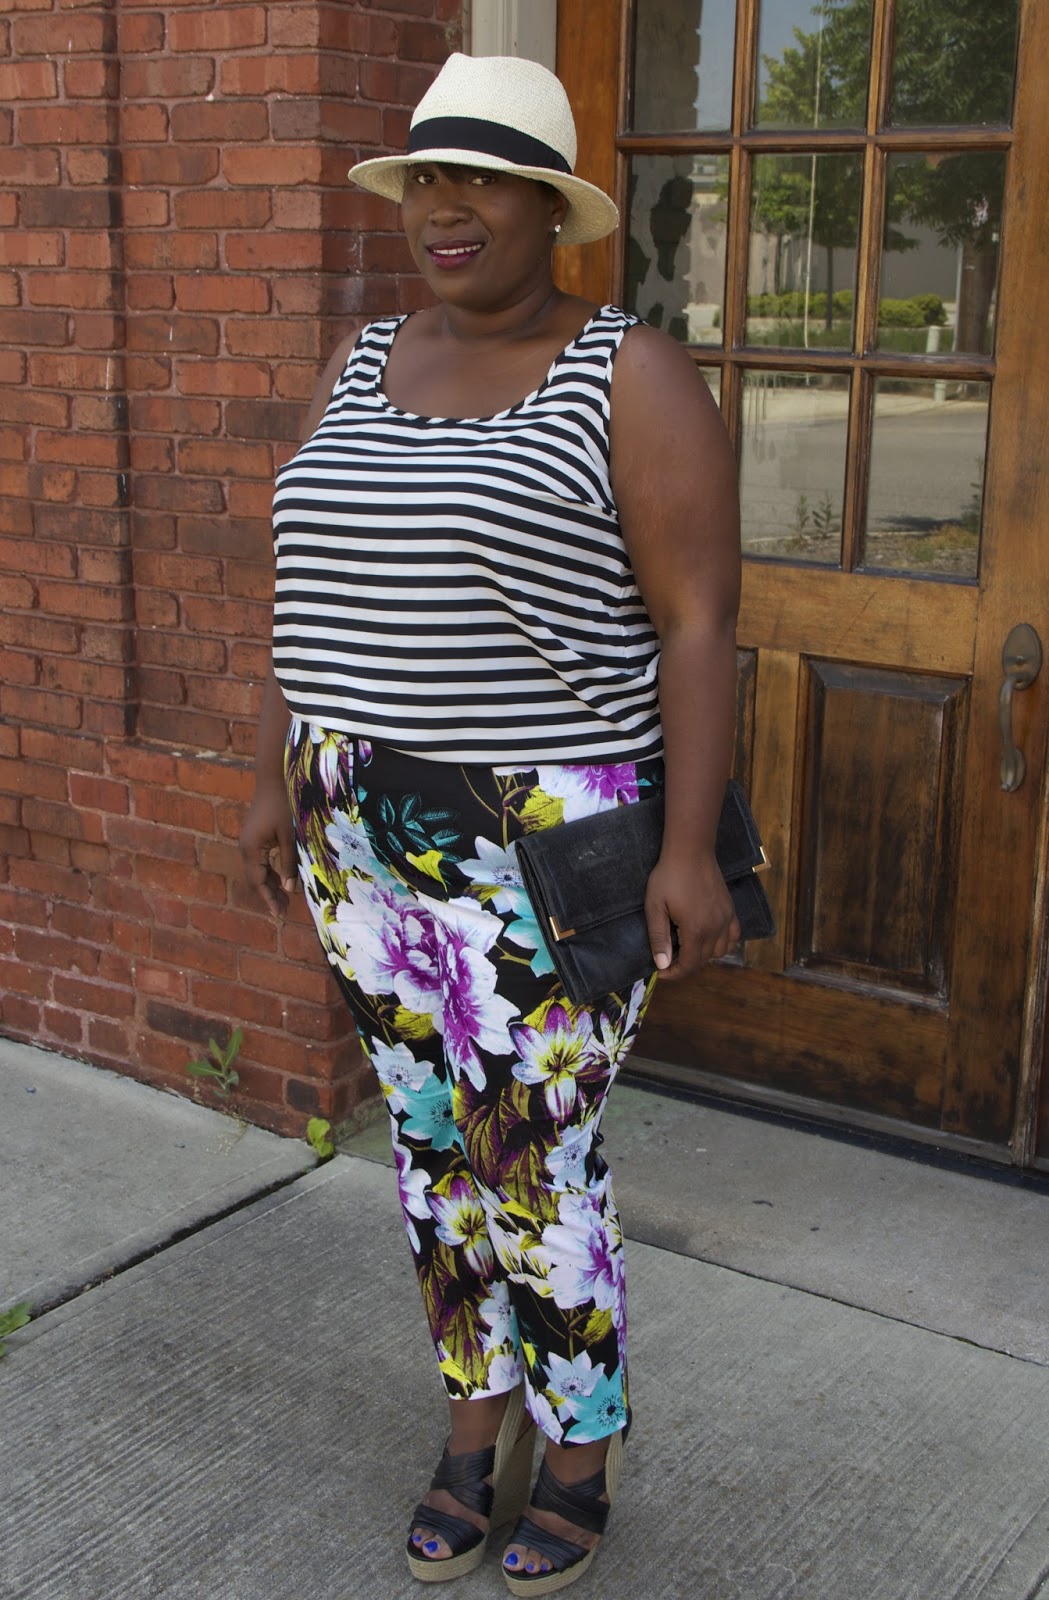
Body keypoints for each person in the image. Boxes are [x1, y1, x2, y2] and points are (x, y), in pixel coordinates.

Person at [240, 50, 741, 1595]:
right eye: (424, 182)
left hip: (536, 840)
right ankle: (475, 1413)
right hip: (351, 824)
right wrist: (272, 777)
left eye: (481, 181)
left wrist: (686, 849)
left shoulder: (626, 372)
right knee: (429, 1145)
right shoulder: (360, 357)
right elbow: (308, 588)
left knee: (535, 1157)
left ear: (548, 209)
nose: (443, 209)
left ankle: (575, 1451)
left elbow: (697, 623)